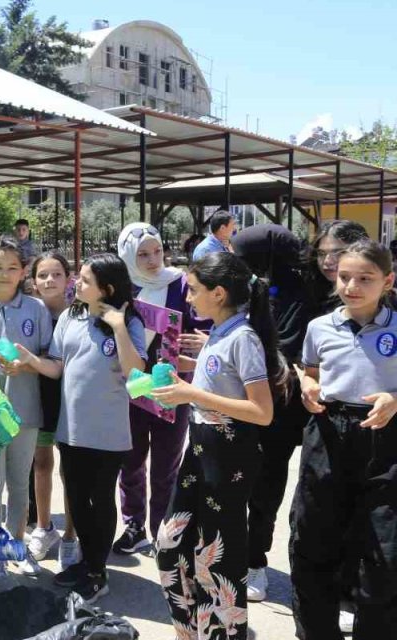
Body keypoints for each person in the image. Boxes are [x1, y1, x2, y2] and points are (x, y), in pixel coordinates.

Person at [149, 251, 284, 640]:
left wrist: (191, 393)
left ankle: (223, 633)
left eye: (193, 291)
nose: (188, 299)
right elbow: (219, 380)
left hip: (228, 457)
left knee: (216, 560)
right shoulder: (222, 331)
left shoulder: (243, 337)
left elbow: (261, 411)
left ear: (219, 293)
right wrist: (188, 378)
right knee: (171, 545)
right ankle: (190, 630)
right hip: (202, 451)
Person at [16, 254, 148, 603]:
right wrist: (32, 363)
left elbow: (136, 375)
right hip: (70, 429)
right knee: (76, 498)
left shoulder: (131, 322)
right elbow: (58, 367)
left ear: (107, 288)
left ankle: (97, 572)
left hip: (108, 433)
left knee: (99, 500)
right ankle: (88, 563)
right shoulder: (71, 317)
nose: (77, 283)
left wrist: (118, 326)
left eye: (86, 280)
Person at [292, 240, 397, 640]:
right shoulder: (321, 327)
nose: (352, 285)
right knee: (315, 539)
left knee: (382, 549)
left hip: (384, 438)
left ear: (387, 281)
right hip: (328, 433)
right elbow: (311, 370)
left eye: (365, 278)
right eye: (344, 276)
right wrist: (307, 385)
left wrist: (394, 399)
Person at [229, 224, 318, 603]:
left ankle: (258, 563)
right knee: (244, 486)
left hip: (290, 412)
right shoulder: (250, 287)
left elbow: (290, 346)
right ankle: (246, 558)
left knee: (271, 491)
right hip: (250, 402)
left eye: (244, 256)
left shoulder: (308, 291)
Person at [111, 223, 202, 558]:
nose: (152, 260)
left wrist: (192, 353)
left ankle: (162, 529)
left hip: (172, 389)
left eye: (157, 252)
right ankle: (134, 525)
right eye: (142, 254)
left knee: (167, 462)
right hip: (132, 388)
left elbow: (199, 329)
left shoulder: (180, 284)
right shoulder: (121, 287)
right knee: (131, 460)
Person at [0, 239, 51, 576]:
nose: (5, 274)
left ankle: (17, 545)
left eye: (12, 267)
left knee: (20, 482)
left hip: (26, 411)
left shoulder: (36, 309)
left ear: (23, 271)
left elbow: (49, 358)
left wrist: (26, 366)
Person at [24, 252, 78, 569]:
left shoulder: (78, 315)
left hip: (71, 402)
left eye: (56, 274)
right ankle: (44, 527)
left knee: (69, 469)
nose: (49, 281)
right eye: (43, 275)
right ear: (34, 280)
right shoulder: (29, 314)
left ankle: (71, 536)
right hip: (39, 398)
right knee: (41, 464)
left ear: (68, 278)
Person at [308, 220, 369, 311]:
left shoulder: (375, 302)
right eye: (321, 253)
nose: (327, 261)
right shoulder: (308, 295)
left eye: (339, 253)